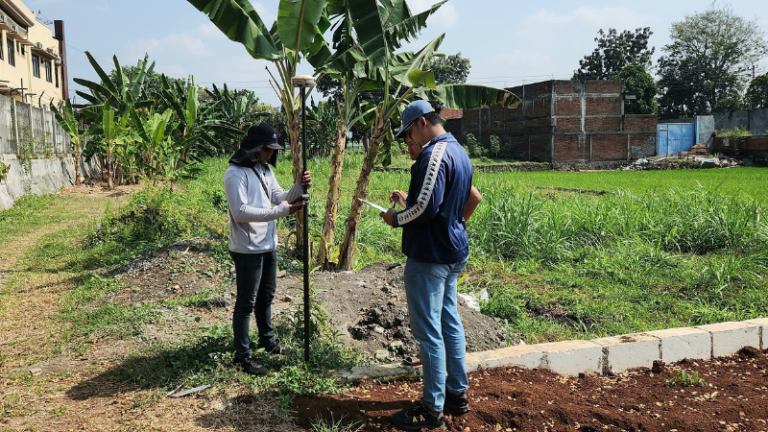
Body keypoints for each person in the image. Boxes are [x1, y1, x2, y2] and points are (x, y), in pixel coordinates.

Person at [380, 100, 481, 431]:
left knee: (428, 333)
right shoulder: (458, 151)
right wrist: (453, 225)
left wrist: (396, 219)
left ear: (421, 122)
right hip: (452, 252)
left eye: (408, 132)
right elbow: (471, 197)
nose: (409, 139)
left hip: (430, 257)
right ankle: (456, 394)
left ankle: (431, 408)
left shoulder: (433, 154)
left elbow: (424, 209)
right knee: (449, 321)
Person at [223, 122, 311, 376]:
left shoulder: (264, 171)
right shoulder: (235, 174)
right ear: (255, 147)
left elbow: (280, 197)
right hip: (247, 248)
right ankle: (243, 355)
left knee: (266, 297)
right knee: (246, 303)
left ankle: (266, 339)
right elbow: (240, 213)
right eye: (268, 149)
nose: (271, 154)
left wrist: (298, 186)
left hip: (267, 246)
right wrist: (281, 211)